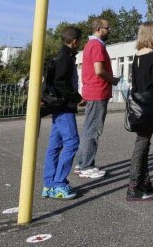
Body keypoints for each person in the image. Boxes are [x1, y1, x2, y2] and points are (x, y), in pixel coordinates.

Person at [74, 18, 120, 179]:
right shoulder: (96, 45)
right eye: (107, 28)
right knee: (93, 130)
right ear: (99, 29)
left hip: (93, 91)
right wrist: (113, 80)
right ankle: (86, 165)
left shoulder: (91, 45)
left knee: (89, 129)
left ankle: (82, 163)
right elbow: (99, 70)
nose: (109, 31)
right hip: (97, 91)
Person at [42, 26, 83, 199]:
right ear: (74, 41)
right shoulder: (65, 58)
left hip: (57, 106)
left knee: (55, 145)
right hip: (64, 106)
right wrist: (77, 97)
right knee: (72, 142)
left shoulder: (60, 56)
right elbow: (61, 82)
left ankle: (49, 184)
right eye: (79, 41)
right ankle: (59, 184)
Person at [126, 22, 153, 201]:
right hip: (150, 104)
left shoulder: (137, 56)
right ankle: (134, 186)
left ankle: (144, 181)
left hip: (138, 104)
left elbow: (136, 83)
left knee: (144, 144)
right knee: (141, 145)